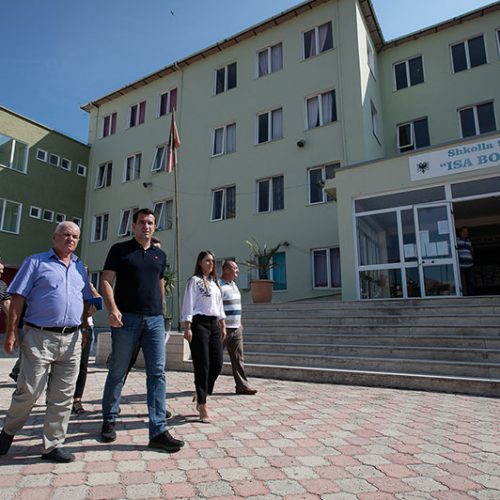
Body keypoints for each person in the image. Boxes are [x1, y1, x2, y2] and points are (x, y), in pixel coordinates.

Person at [0, 222, 92, 463]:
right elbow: (17, 298)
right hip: (39, 337)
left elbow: (84, 300)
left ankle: (52, 445)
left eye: (75, 236)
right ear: (54, 237)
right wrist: (11, 332)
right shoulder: (35, 262)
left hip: (71, 339)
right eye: (66, 234)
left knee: (63, 396)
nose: (70, 239)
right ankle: (8, 430)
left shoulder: (79, 267)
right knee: (29, 391)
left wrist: (84, 327)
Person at [100, 208, 183, 452]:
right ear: (134, 226)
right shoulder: (120, 250)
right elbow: (106, 280)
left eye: (150, 223)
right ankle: (109, 419)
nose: (146, 226)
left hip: (154, 320)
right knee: (118, 370)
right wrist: (112, 309)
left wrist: (162, 309)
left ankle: (158, 430)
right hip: (126, 319)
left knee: (157, 373)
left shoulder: (160, 255)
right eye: (142, 222)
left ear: (154, 227)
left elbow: (160, 283)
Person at [181, 250, 226, 423]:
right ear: (200, 262)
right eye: (207, 260)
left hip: (214, 324)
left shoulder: (215, 284)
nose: (211, 264)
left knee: (217, 364)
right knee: (202, 365)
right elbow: (188, 303)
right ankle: (202, 404)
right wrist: (187, 326)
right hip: (199, 324)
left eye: (213, 261)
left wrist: (223, 325)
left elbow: (219, 306)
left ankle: (202, 392)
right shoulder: (194, 281)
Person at [219, 259, 257, 395]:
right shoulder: (218, 285)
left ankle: (242, 386)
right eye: (235, 268)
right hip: (223, 329)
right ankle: (204, 385)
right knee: (214, 358)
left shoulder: (234, 285)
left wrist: (240, 323)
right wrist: (221, 325)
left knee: (238, 359)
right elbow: (216, 308)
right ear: (226, 270)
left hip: (236, 328)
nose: (238, 271)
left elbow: (236, 305)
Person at [72, 279, 101, 414]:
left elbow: (99, 303)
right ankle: (52, 396)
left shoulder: (88, 288)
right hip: (69, 327)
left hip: (87, 328)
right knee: (59, 365)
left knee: (82, 366)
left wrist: (91, 289)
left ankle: (77, 399)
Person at [457, 226, 475, 296]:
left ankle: (472, 295)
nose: (465, 233)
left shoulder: (468, 241)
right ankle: (462, 295)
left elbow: (471, 251)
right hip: (461, 265)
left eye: (467, 231)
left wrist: (472, 258)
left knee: (471, 281)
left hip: (470, 264)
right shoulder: (456, 240)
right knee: (461, 281)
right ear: (460, 232)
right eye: (463, 231)